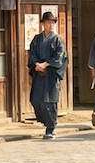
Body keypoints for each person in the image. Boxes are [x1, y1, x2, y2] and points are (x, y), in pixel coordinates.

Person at [28, 11, 68, 140]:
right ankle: (45, 122)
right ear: (43, 24)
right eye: (48, 22)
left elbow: (60, 56)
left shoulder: (57, 40)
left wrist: (46, 64)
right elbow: (32, 53)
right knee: (36, 99)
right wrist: (36, 64)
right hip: (39, 73)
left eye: (52, 22)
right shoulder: (37, 39)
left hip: (51, 73)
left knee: (50, 101)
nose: (51, 25)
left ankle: (51, 128)